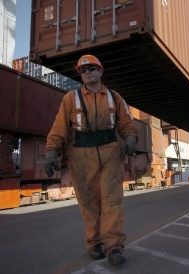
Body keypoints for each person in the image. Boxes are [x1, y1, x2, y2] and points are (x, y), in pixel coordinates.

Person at [44, 54, 138, 265]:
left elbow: (127, 124)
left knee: (112, 200)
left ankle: (114, 246)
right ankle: (94, 243)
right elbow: (59, 129)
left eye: (92, 69)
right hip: (82, 154)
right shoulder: (70, 98)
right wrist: (52, 153)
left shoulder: (115, 97)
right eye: (83, 71)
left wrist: (130, 139)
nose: (87, 73)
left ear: (100, 71)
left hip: (110, 152)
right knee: (88, 202)